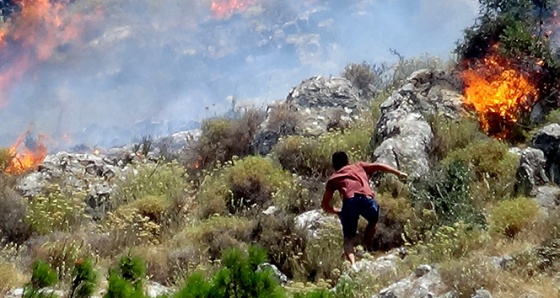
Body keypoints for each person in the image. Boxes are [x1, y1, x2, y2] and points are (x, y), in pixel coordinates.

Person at [321, 151, 408, 270]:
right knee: (373, 219)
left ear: (334, 166)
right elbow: (378, 166)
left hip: (350, 201)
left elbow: (325, 205)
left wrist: (338, 211)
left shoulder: (334, 178)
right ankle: (365, 246)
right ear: (348, 161)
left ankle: (353, 265)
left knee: (348, 239)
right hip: (367, 199)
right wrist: (398, 173)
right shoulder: (358, 166)